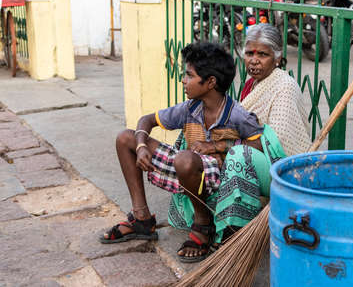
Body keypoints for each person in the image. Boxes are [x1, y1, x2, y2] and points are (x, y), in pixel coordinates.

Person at [99, 42, 265, 263]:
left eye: (189, 75)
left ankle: (202, 223)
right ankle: (142, 219)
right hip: (186, 169)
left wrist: (216, 147)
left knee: (185, 158)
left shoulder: (237, 115)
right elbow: (146, 120)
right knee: (125, 138)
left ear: (210, 82)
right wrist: (140, 147)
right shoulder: (190, 108)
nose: (183, 80)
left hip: (220, 179)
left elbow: (259, 147)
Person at [168, 23, 312, 256]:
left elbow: (276, 144)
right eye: (249, 53)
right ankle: (203, 219)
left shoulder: (283, 86)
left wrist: (220, 147)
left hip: (280, 169)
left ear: (277, 58)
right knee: (192, 137)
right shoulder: (252, 84)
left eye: (263, 54)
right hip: (254, 155)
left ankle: (233, 231)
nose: (254, 60)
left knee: (238, 155)